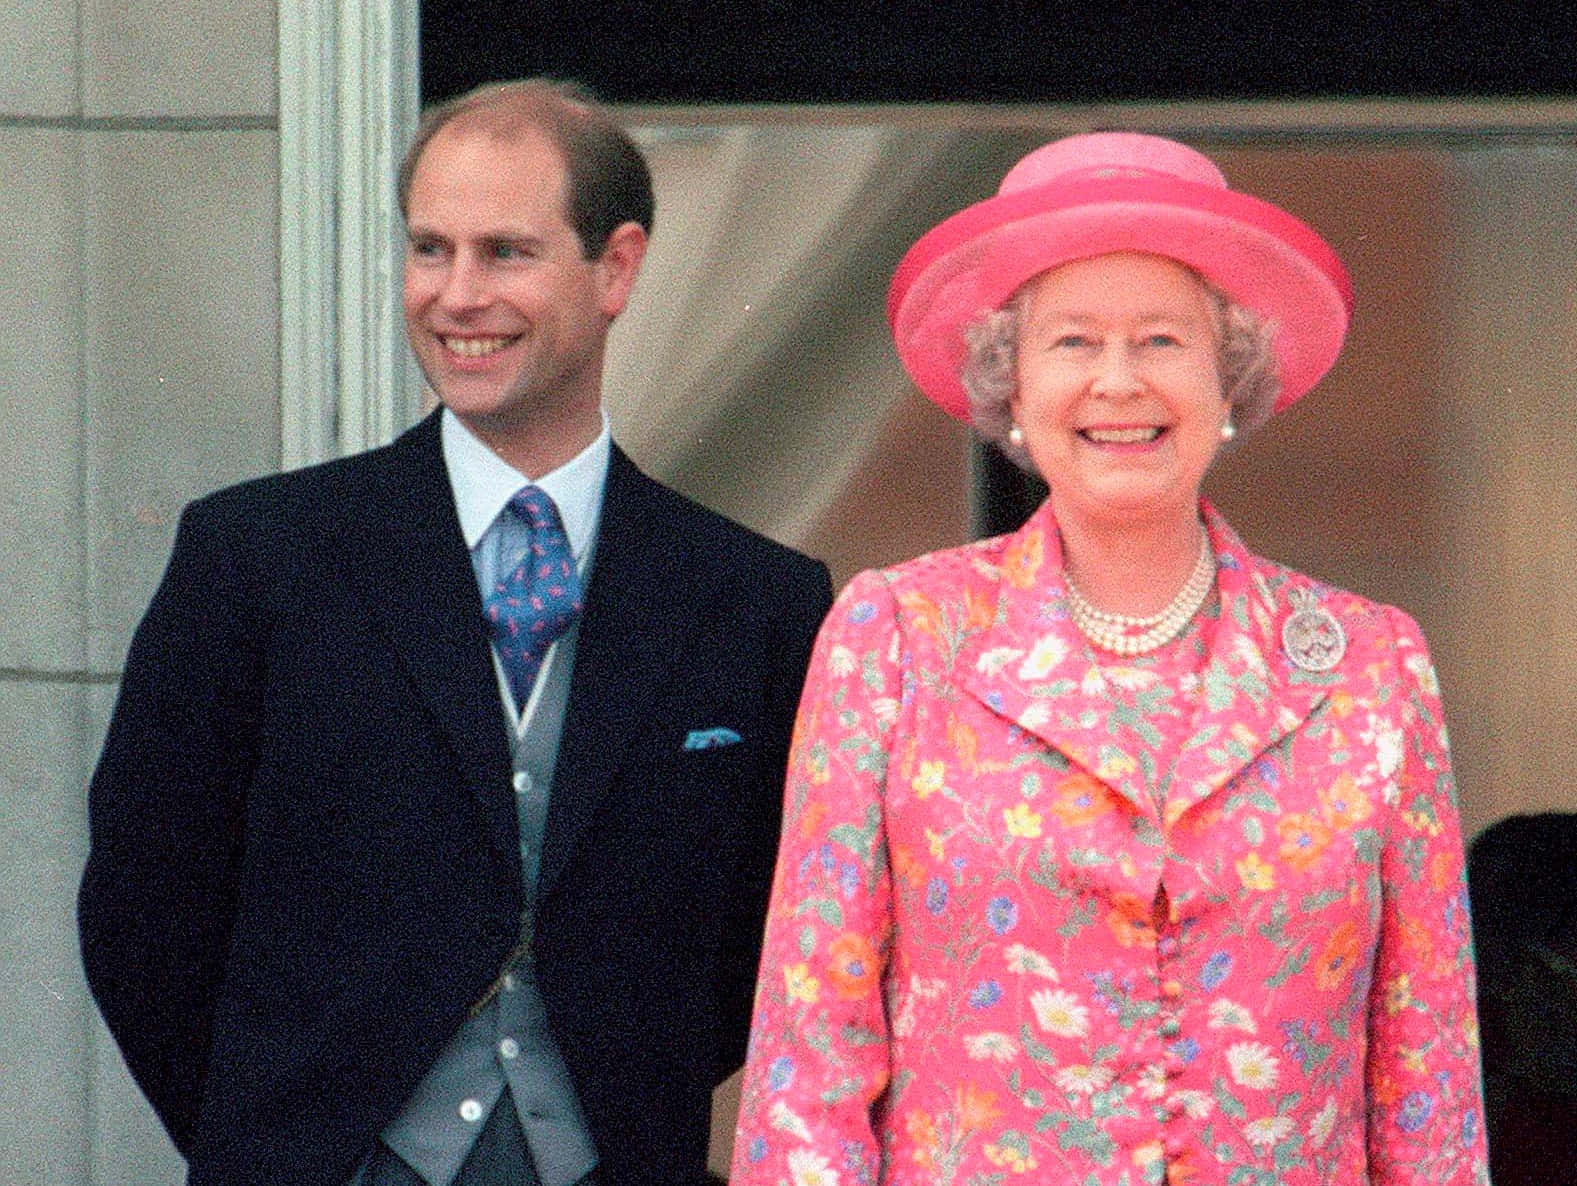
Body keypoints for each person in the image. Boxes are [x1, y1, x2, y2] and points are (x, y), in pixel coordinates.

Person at [78, 78, 833, 1186]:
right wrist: (278, 1142)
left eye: (506, 253)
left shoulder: (755, 600)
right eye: (429, 249)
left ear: (615, 268)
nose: (455, 295)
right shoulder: (257, 557)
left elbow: (756, 950)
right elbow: (146, 908)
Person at [731, 133, 1488, 1186]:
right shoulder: (896, 636)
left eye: (1163, 341)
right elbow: (809, 1051)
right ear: (1012, 384)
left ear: (1229, 379)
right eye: (1073, 342)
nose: (1117, 382)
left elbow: (1428, 1072)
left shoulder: (1367, 667)